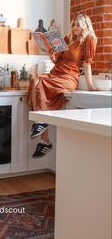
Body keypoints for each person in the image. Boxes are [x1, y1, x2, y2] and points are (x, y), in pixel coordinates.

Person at [27, 13, 98, 158]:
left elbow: (86, 64)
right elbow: (56, 60)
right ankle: (44, 136)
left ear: (85, 26)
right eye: (73, 24)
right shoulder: (67, 38)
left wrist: (90, 86)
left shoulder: (88, 40)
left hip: (69, 77)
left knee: (40, 84)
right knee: (35, 81)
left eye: (78, 25)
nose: (75, 27)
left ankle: (41, 128)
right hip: (56, 72)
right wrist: (49, 49)